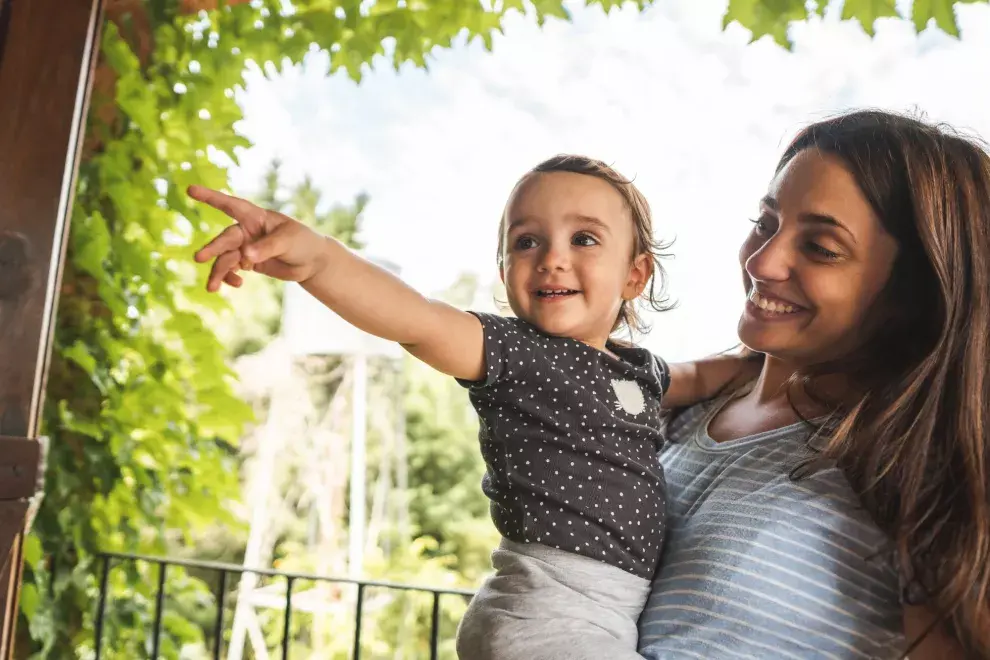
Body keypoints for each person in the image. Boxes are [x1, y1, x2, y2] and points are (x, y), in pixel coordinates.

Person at [188, 155, 750, 660]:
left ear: (635, 274)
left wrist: (804, 355)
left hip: (602, 615)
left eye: (583, 239)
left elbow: (701, 375)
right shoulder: (515, 352)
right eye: (527, 241)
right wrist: (317, 258)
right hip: (546, 612)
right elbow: (415, 318)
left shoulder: (638, 370)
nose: (552, 257)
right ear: (505, 273)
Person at [637, 110, 989, 660]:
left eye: (822, 248)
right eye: (766, 222)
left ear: (913, 293)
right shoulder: (679, 409)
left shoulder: (919, 462)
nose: (762, 261)